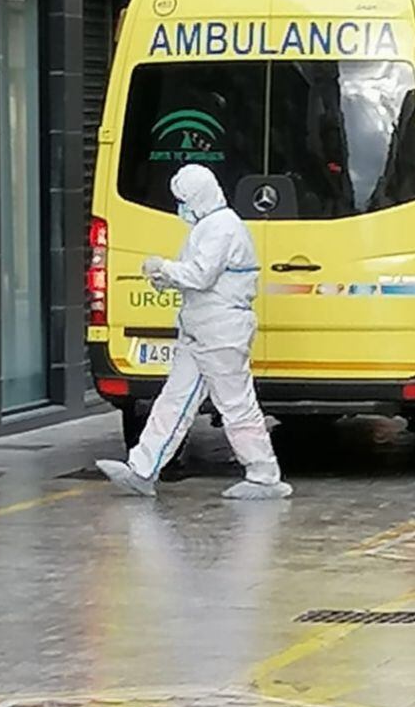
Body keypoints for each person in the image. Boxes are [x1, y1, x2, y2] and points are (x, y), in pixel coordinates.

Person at [96, 164, 292, 500]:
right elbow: (196, 275)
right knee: (175, 400)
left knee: (235, 403)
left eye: (183, 199)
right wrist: (166, 276)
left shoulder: (221, 228)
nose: (180, 207)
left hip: (220, 332)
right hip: (202, 330)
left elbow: (201, 275)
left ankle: (264, 474)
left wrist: (164, 269)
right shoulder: (209, 226)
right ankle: (142, 469)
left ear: (198, 196)